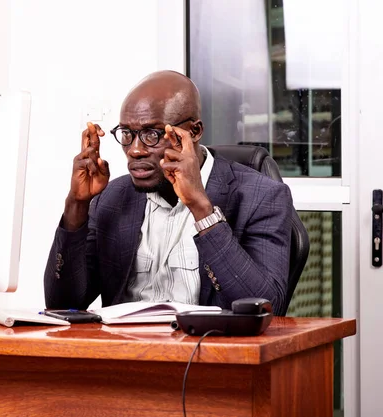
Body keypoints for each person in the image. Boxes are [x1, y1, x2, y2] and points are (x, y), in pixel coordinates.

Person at [44, 70, 293, 316]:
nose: (135, 150)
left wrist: (201, 208)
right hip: (125, 351)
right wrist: (77, 205)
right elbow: (63, 303)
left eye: (152, 134)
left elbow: (267, 308)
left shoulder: (261, 197)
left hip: (208, 352)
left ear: (193, 132)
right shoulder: (112, 199)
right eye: (127, 134)